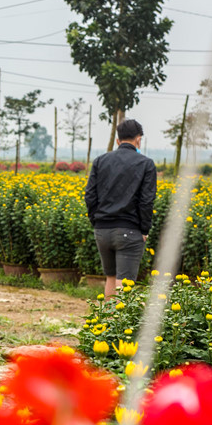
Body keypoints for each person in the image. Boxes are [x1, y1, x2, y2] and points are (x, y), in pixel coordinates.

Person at [84, 118, 157, 298]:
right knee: (124, 282)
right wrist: (144, 229)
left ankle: (107, 323)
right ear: (138, 139)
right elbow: (146, 201)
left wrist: (97, 221)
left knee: (110, 277)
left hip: (102, 230)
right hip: (129, 230)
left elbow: (90, 196)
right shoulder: (146, 164)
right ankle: (119, 324)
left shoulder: (100, 161)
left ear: (118, 140)